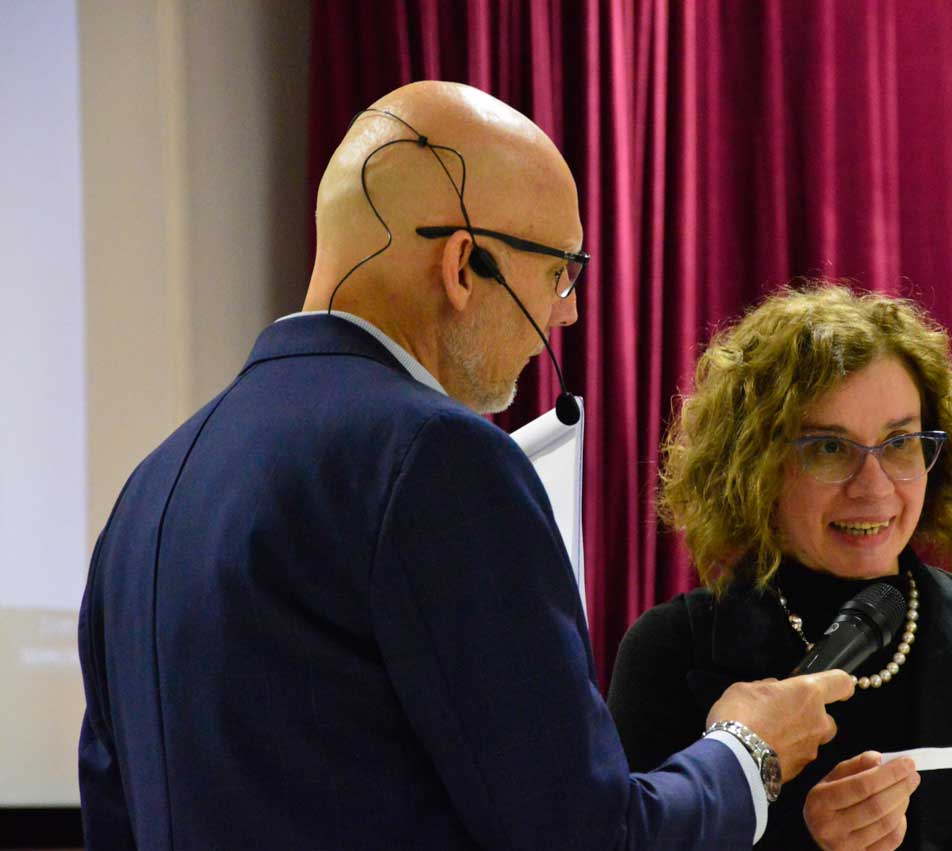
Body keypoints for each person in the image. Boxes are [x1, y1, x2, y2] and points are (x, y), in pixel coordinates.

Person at [76, 82, 856, 849]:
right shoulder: (438, 458)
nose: (567, 312)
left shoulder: (147, 491)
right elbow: (583, 834)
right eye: (560, 271)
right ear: (463, 264)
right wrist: (747, 752)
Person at [608, 284, 952, 850]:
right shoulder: (672, 652)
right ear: (756, 468)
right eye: (830, 448)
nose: (874, 488)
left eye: (900, 442)